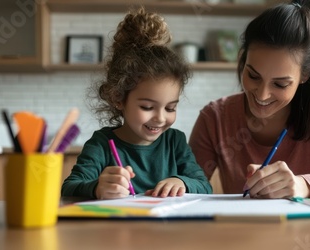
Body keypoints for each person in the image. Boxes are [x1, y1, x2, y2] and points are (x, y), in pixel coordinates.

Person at [189, 0, 310, 199]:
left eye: (280, 84)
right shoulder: (214, 117)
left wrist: (304, 185)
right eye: (253, 76)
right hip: (242, 229)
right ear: (243, 59)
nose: (262, 95)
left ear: (305, 76)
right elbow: (187, 186)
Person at [62, 7, 212, 200]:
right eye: (147, 107)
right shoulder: (101, 144)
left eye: (170, 108)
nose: (160, 118)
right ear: (118, 98)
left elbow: (205, 186)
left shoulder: (175, 142)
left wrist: (182, 182)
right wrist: (97, 188)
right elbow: (69, 188)